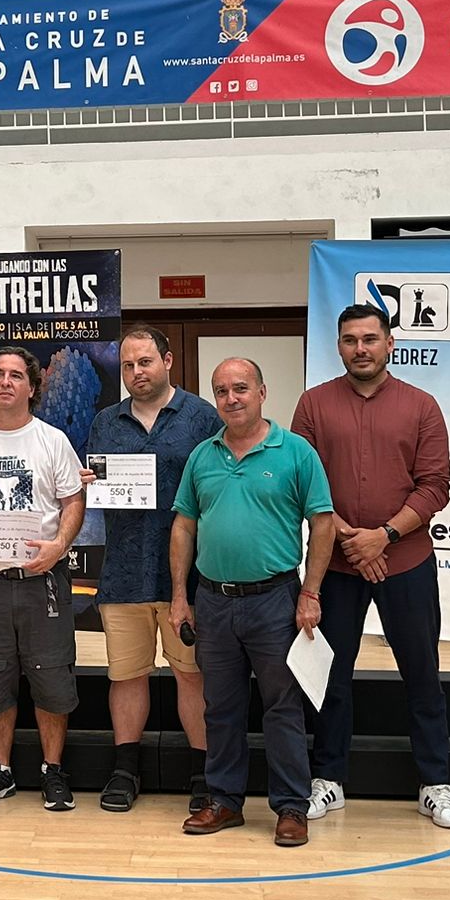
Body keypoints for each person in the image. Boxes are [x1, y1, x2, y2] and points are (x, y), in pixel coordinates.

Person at [290, 304, 450, 830]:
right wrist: (351, 539)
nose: (360, 348)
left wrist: (383, 536)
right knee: (331, 678)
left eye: (370, 338)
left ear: (390, 343)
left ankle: (435, 785)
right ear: (338, 346)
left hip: (406, 560)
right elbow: (303, 482)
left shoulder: (422, 406)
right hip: (337, 565)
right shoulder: (314, 405)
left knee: (421, 674)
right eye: (349, 340)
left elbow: (435, 486)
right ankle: (328, 781)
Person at [171, 358, 335, 848]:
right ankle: (223, 801)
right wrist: (181, 596)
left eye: (240, 388)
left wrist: (310, 593)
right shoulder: (202, 455)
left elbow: (323, 523)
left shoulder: (296, 453)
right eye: (221, 391)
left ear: (262, 391)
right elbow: (184, 525)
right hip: (214, 601)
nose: (230, 398)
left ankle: (290, 808)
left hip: (275, 601)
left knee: (282, 707)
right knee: (219, 707)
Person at [79, 325, 221, 813]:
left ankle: (203, 771)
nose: (136, 373)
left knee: (191, 676)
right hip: (122, 572)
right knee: (126, 675)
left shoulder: (202, 417)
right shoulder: (105, 422)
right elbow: (93, 487)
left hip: (188, 576)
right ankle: (126, 768)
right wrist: (89, 481)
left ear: (167, 361)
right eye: (127, 366)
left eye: (145, 362)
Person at [0, 346, 86, 811]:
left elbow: (73, 501)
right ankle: (0, 770)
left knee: (51, 679)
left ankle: (53, 770)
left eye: (16, 375)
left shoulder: (52, 440)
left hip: (41, 579)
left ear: (31, 386)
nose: (6, 382)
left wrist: (59, 547)